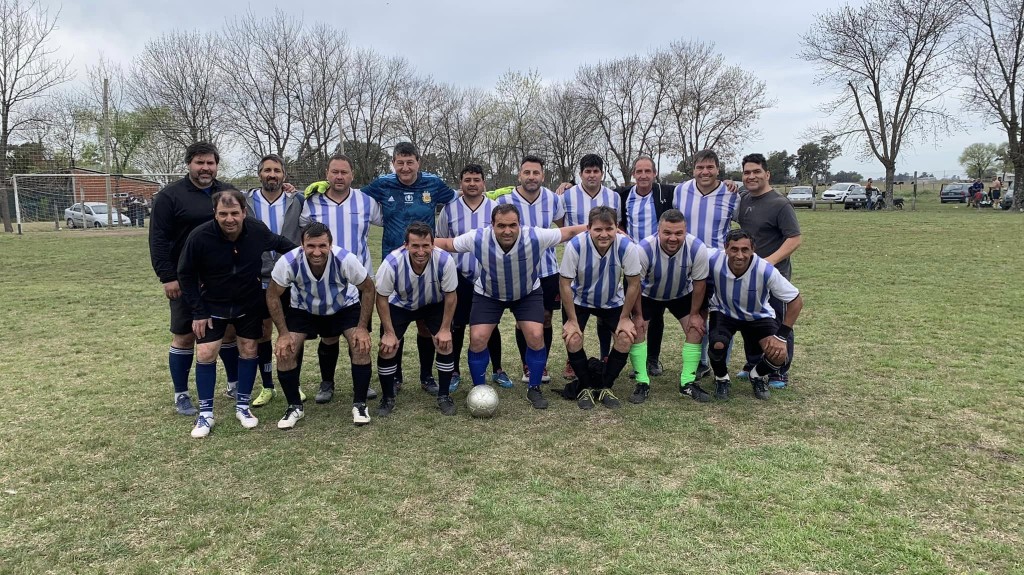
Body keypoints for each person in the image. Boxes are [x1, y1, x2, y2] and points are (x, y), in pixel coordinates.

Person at [433, 204, 587, 410]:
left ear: (519, 225)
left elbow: (568, 232)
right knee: (478, 339)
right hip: (489, 294)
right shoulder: (478, 237)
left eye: (513, 225)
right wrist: (416, 243)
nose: (507, 230)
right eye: (501, 225)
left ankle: (534, 387)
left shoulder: (534, 236)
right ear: (492, 225)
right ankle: (480, 389)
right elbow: (448, 244)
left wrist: (598, 227)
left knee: (535, 336)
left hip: (526, 293)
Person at [176, 189, 299, 438]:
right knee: (206, 352)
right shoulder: (199, 236)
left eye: (234, 213)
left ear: (244, 212)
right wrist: (198, 311)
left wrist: (307, 258)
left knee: (249, 349)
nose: (229, 219)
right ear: (215, 214)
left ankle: (243, 407)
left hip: (248, 302)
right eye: (223, 214)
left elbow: (283, 245)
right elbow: (185, 274)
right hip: (212, 304)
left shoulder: (256, 230)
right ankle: (206, 414)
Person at [149, 142, 239, 417]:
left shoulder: (227, 193)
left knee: (228, 333)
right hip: (186, 280)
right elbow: (158, 240)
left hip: (222, 279)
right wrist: (168, 277)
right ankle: (182, 394)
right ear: (189, 163)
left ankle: (234, 385)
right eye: (200, 163)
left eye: (210, 163)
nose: (205, 168)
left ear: (216, 165)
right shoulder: (169, 196)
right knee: (185, 336)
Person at [265, 222, 376, 429]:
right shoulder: (288, 261)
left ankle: (360, 404)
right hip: (303, 308)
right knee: (285, 352)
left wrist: (362, 327)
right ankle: (294, 406)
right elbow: (272, 294)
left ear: (330, 245)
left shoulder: (346, 259)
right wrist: (282, 333)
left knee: (361, 346)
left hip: (343, 306)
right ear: (302, 244)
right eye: (311, 246)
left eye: (322, 246)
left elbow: (368, 288)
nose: (317, 252)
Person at [299, 153, 381, 404]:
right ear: (326, 174)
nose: (339, 177)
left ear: (352, 175)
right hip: (323, 281)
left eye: (344, 172)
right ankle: (327, 382)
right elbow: (300, 229)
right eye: (334, 172)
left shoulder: (366, 202)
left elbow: (391, 222)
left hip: (358, 282)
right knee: (329, 335)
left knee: (360, 333)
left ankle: (362, 382)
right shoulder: (312, 203)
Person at [435, 164, 513, 390]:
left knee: (491, 325)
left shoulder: (495, 207)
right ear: (461, 183)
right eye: (467, 179)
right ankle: (454, 372)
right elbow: (441, 241)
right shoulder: (449, 209)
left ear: (483, 183)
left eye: (476, 179)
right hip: (458, 277)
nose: (472, 183)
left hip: (487, 276)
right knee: (456, 326)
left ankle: (497, 369)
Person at [705, 229, 804, 401]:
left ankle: (757, 375)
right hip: (724, 312)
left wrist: (781, 337)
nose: (740, 255)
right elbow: (690, 248)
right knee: (718, 344)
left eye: (745, 250)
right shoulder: (713, 259)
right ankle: (722, 379)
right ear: (725, 248)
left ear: (753, 250)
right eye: (734, 249)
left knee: (779, 354)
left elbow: (796, 301)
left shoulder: (765, 269)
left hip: (757, 315)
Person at [558, 206, 641, 410]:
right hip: (580, 300)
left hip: (612, 300)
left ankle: (605, 386)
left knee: (625, 336)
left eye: (609, 228)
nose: (604, 234)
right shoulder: (575, 246)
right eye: (598, 229)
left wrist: (624, 318)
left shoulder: (627, 246)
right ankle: (586, 386)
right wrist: (571, 320)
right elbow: (565, 284)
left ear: (616, 228)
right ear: (588, 228)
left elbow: (634, 283)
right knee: (573, 336)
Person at [375, 223, 459, 416]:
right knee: (388, 347)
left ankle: (441, 392)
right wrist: (388, 332)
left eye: (425, 245)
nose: (421, 251)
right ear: (406, 245)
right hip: (400, 304)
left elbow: (451, 295)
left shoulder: (444, 260)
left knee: (445, 343)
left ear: (433, 245)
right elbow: (381, 298)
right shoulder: (392, 262)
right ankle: (388, 396)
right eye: (415, 246)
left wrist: (445, 329)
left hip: (433, 303)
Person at [495, 155, 566, 385]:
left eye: (536, 173)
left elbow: (563, 228)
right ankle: (527, 364)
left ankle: (541, 363)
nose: (531, 177)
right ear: (520, 175)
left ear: (543, 176)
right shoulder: (505, 199)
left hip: (547, 269)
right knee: (522, 320)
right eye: (527, 172)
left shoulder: (553, 199)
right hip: (518, 270)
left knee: (546, 318)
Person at [628, 209, 710, 404]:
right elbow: (635, 285)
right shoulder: (644, 248)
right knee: (637, 330)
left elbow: (700, 284)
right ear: (658, 230)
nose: (673, 238)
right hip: (649, 295)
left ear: (685, 231)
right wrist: (637, 316)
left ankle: (687, 383)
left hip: (681, 295)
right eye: (667, 233)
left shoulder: (697, 248)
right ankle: (642, 383)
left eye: (678, 233)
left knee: (696, 329)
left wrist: (695, 314)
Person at [735, 153, 802, 389]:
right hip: (750, 276)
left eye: (756, 172)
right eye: (747, 172)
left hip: (774, 276)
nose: (751, 176)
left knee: (779, 323)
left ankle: (779, 370)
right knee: (752, 321)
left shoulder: (779, 203)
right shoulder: (744, 199)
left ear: (767, 174)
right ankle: (753, 363)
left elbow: (794, 238)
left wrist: (769, 262)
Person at [673, 149, 740, 379]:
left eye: (710, 167)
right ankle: (701, 361)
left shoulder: (731, 194)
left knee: (722, 313)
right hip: (689, 264)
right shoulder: (680, 191)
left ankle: (721, 362)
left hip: (719, 264)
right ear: (693, 169)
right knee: (697, 313)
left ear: (718, 170)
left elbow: (745, 226)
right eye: (700, 167)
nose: (705, 172)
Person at [244, 154, 305, 408]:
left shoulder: (297, 200)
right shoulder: (245, 201)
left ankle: (295, 383)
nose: (272, 175)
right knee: (263, 332)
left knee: (292, 332)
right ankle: (267, 385)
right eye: (267, 170)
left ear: (284, 175)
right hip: (257, 275)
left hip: (290, 275)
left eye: (277, 171)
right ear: (259, 174)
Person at [616, 156, 682, 382]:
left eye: (648, 171)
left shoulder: (667, 192)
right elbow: (618, 222)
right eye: (639, 171)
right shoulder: (623, 195)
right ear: (633, 174)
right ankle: (636, 359)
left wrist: (727, 184)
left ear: (655, 174)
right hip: (632, 261)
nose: (643, 175)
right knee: (635, 312)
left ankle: (652, 358)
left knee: (656, 312)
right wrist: (567, 185)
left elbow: (696, 185)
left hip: (659, 258)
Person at [556, 154, 620, 377]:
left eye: (596, 171)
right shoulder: (567, 195)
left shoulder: (613, 196)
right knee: (574, 312)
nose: (592, 175)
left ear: (602, 173)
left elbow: (615, 227)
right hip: (577, 262)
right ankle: (571, 360)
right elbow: (561, 225)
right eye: (587, 171)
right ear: (580, 173)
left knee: (605, 310)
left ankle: (606, 355)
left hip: (606, 262)